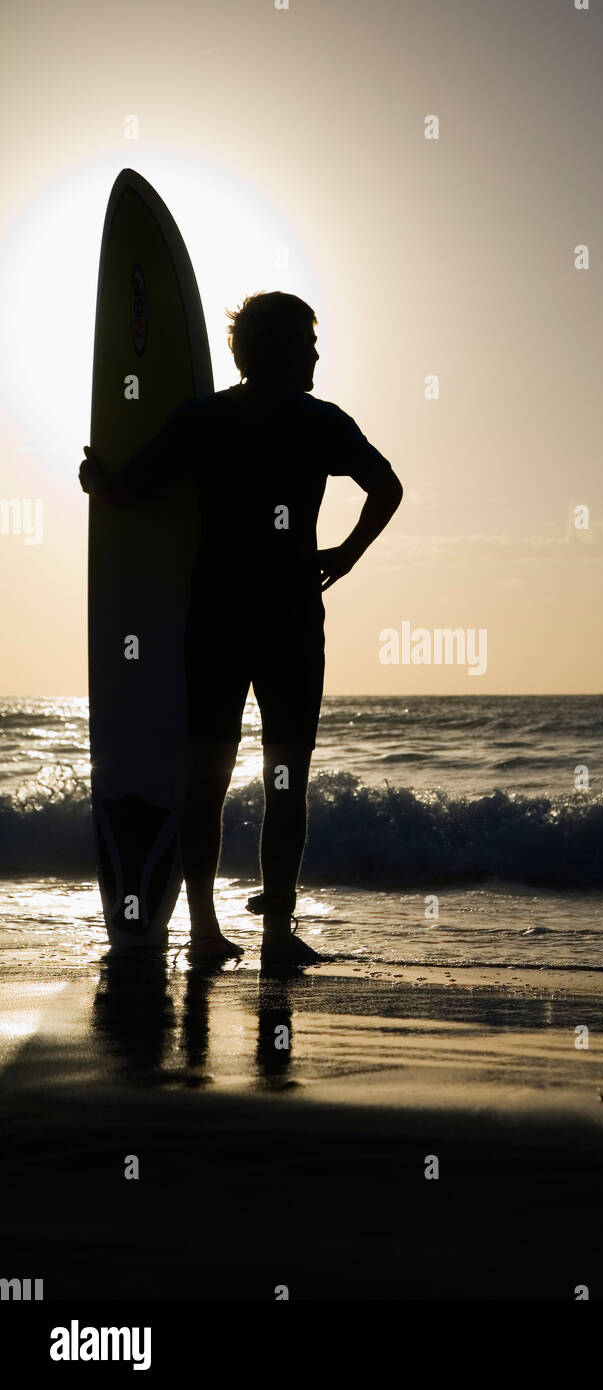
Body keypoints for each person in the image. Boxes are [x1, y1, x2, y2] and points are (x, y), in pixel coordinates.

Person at [79, 292, 402, 967]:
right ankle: (278, 936)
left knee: (208, 776)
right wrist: (344, 554)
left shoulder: (205, 418)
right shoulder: (321, 422)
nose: (316, 353)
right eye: (308, 342)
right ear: (284, 347)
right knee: (286, 777)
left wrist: (95, 478)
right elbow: (387, 486)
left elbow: (127, 491)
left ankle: (202, 933)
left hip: (216, 617)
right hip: (288, 620)